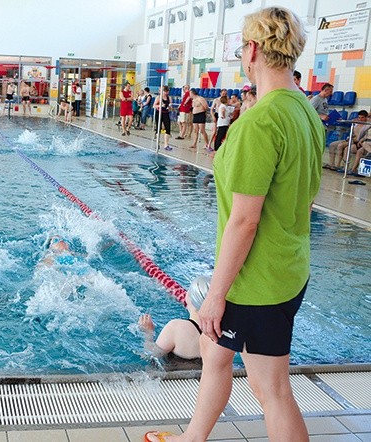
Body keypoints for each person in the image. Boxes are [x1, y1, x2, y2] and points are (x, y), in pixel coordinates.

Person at [145, 7, 324, 441]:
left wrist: (216, 297)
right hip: (289, 267)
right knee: (217, 354)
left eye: (244, 46)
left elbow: (244, 221)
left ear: (253, 51)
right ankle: (193, 438)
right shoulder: (303, 110)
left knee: (272, 390)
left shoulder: (259, 122)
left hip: (256, 282)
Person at [138, 276, 210, 365]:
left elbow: (151, 354)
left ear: (190, 298)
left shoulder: (176, 327)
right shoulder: (220, 331)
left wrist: (148, 333)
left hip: (174, 377)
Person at [153, 85, 172, 150]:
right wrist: (160, 105)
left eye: (167, 92)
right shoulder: (158, 97)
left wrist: (169, 107)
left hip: (166, 114)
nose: (165, 93)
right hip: (159, 114)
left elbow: (170, 107)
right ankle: (157, 143)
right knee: (158, 128)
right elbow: (154, 106)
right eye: (164, 91)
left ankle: (166, 145)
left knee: (168, 128)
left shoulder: (169, 98)